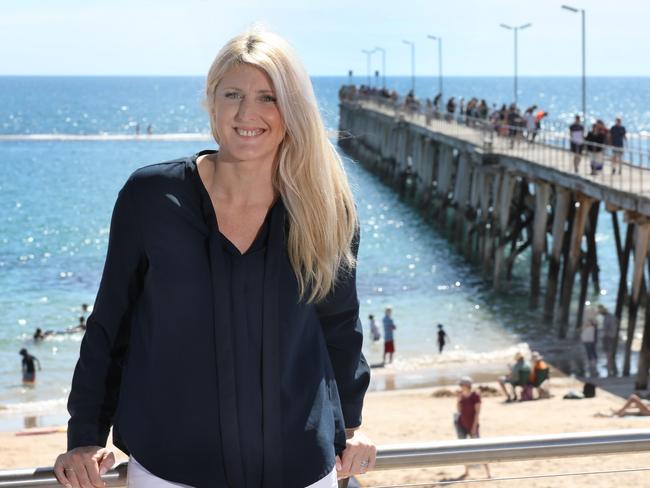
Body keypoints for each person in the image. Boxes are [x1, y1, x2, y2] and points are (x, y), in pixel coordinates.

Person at [54, 29, 375, 488]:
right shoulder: (151, 198)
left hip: (300, 468)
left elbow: (340, 326)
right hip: (169, 469)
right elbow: (110, 324)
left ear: (292, 109)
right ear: (211, 100)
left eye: (268, 97)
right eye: (233, 95)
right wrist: (86, 434)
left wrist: (355, 427)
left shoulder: (326, 208)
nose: (248, 113)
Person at [454, 376, 491, 479]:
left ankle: (488, 472)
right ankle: (466, 471)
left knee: (480, 448)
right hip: (462, 424)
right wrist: (458, 398)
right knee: (462, 448)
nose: (460, 386)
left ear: (466, 385)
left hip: (472, 424)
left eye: (461, 384)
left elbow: (477, 413)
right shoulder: (461, 395)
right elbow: (459, 410)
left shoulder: (475, 395)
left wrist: (474, 427)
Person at [598, 304, 619, 376]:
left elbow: (606, 328)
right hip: (612, 336)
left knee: (608, 352)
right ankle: (610, 365)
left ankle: (609, 365)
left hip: (608, 336)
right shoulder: (613, 317)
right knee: (610, 352)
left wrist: (603, 334)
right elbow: (616, 323)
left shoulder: (607, 318)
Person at [581, 310, 599, 376]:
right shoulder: (587, 323)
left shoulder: (594, 323)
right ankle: (591, 364)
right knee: (589, 352)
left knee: (592, 351)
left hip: (591, 340)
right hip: (587, 340)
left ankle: (593, 364)